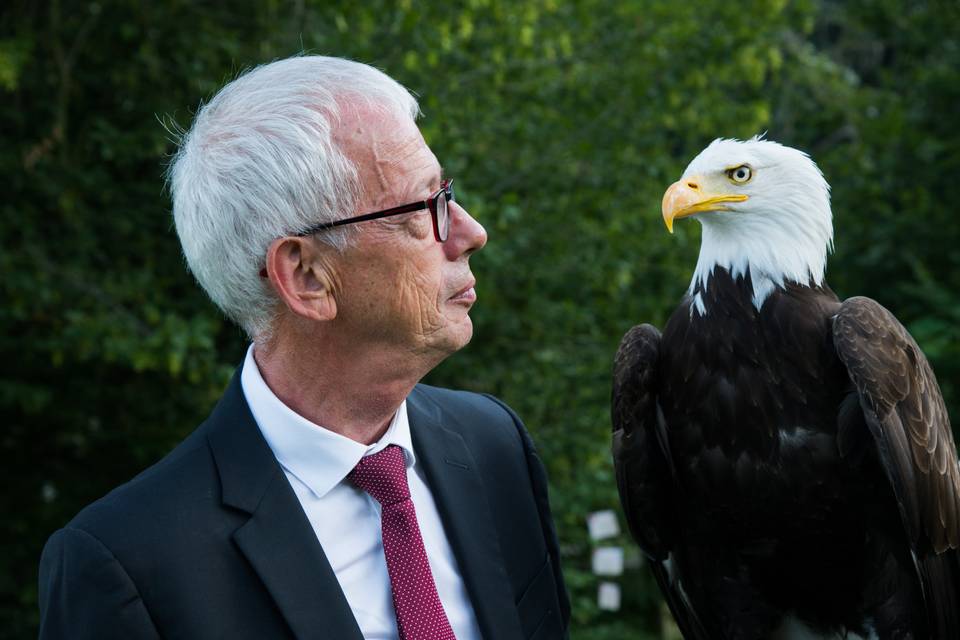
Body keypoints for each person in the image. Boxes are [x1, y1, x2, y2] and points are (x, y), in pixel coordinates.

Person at [38, 55, 569, 640]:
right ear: (307, 277)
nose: (471, 232)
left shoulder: (495, 447)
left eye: (446, 192)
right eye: (425, 209)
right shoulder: (128, 566)